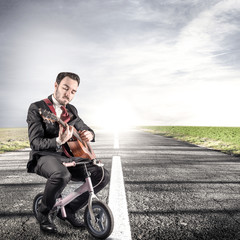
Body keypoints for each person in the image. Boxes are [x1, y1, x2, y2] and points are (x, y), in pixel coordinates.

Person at [26, 72, 110, 233]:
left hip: (68, 157)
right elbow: (35, 143)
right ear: (56, 85)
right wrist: (58, 141)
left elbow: (84, 126)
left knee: (102, 174)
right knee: (61, 175)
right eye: (65, 88)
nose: (68, 94)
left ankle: (69, 210)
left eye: (73, 91)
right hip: (44, 156)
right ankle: (44, 214)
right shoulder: (37, 108)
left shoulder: (71, 110)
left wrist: (89, 134)